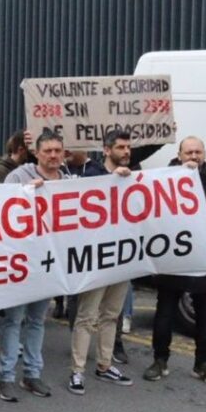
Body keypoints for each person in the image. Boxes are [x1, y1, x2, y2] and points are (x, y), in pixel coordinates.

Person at [145, 136, 206, 387]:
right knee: (164, 315)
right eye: (189, 152)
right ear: (179, 154)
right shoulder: (162, 182)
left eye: (198, 152)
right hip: (172, 262)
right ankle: (160, 360)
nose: (194, 157)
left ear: (205, 154)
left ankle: (202, 364)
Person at [0, 128, 65, 402]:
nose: (53, 156)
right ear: (37, 152)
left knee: (37, 321)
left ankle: (32, 374)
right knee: (13, 320)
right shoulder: (18, 176)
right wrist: (24, 193)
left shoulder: (68, 180)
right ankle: (6, 377)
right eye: (47, 151)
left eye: (58, 151)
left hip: (47, 265)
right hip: (20, 262)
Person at [66, 130, 136, 395]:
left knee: (111, 315)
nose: (126, 152)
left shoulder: (134, 177)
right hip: (97, 258)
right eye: (120, 147)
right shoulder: (91, 176)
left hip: (123, 257)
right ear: (107, 150)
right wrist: (110, 181)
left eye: (128, 147)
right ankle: (77, 371)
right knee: (87, 316)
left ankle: (105, 365)